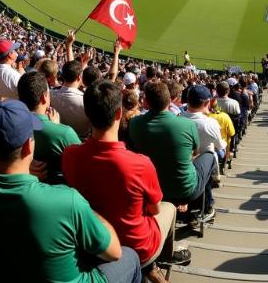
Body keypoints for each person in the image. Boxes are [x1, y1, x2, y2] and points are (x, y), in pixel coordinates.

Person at [0, 100, 141, 283]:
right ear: (28, 146)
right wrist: (85, 208)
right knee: (130, 257)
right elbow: (114, 251)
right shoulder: (67, 202)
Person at [63, 80, 185, 276]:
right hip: (136, 247)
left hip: (92, 243)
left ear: (87, 113)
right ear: (119, 113)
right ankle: (159, 263)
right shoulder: (140, 163)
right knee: (168, 207)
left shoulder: (70, 155)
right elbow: (154, 209)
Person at [128, 81, 216, 221]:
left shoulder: (134, 124)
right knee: (210, 155)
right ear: (170, 101)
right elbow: (195, 153)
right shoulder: (187, 124)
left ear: (146, 102)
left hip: (149, 188)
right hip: (184, 190)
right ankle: (203, 208)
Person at [18, 70, 80, 184]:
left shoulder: (8, 123)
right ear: (44, 97)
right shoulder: (64, 133)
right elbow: (84, 164)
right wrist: (57, 127)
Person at [52, 59, 90, 139]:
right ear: (79, 77)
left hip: (56, 138)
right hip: (79, 142)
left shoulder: (49, 95)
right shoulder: (87, 101)